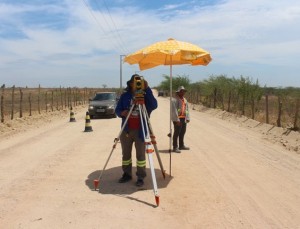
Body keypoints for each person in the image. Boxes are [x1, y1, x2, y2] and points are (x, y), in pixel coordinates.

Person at [115, 74, 158, 187]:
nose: (137, 84)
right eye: (135, 82)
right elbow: (117, 109)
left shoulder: (145, 95)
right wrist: (121, 113)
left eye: (140, 82)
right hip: (126, 130)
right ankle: (127, 174)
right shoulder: (125, 96)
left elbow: (154, 105)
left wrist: (147, 89)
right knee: (126, 154)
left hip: (141, 130)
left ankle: (140, 176)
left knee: (141, 156)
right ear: (130, 84)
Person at [171, 86, 190, 153]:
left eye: (184, 91)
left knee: (182, 132)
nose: (183, 92)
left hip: (183, 118)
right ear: (178, 92)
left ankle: (181, 145)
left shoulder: (185, 100)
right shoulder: (174, 100)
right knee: (177, 133)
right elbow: (174, 110)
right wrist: (177, 119)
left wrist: (187, 117)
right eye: (181, 91)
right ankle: (175, 147)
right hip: (177, 119)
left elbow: (186, 109)